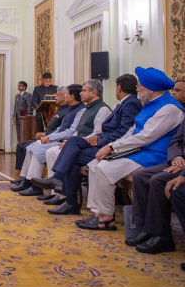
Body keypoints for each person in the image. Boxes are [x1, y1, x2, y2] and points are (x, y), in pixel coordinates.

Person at [77, 67, 185, 231]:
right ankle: (97, 213)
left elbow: (146, 136)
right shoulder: (149, 104)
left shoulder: (170, 108)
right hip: (139, 152)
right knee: (94, 164)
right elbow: (132, 131)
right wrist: (111, 147)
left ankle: (105, 218)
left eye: (140, 85)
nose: (137, 88)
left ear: (151, 88)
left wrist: (112, 147)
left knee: (104, 168)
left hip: (154, 155)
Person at [32, 74, 142, 214]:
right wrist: (98, 136)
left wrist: (101, 140)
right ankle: (66, 195)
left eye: (83, 90)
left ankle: (68, 197)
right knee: (72, 147)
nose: (81, 93)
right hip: (101, 141)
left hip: (110, 146)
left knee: (72, 154)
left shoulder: (127, 104)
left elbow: (123, 131)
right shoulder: (91, 107)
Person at [11, 84, 85, 196]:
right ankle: (27, 180)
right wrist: (48, 137)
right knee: (32, 147)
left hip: (64, 141)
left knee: (37, 150)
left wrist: (49, 137)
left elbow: (70, 132)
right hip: (58, 138)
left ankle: (35, 186)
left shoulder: (81, 110)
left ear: (72, 96)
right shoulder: (70, 109)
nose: (64, 97)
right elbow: (61, 128)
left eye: (66, 94)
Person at [128, 115, 185, 254]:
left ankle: (162, 236)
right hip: (178, 161)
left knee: (158, 180)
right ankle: (146, 228)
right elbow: (176, 141)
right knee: (140, 176)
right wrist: (177, 157)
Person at [14, 88, 69, 171]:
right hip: (49, 136)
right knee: (21, 145)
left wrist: (47, 136)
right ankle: (23, 175)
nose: (55, 98)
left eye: (57, 95)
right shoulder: (60, 109)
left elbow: (65, 130)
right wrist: (45, 134)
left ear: (65, 97)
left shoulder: (68, 110)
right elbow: (57, 128)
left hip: (55, 139)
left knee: (26, 147)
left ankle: (29, 177)